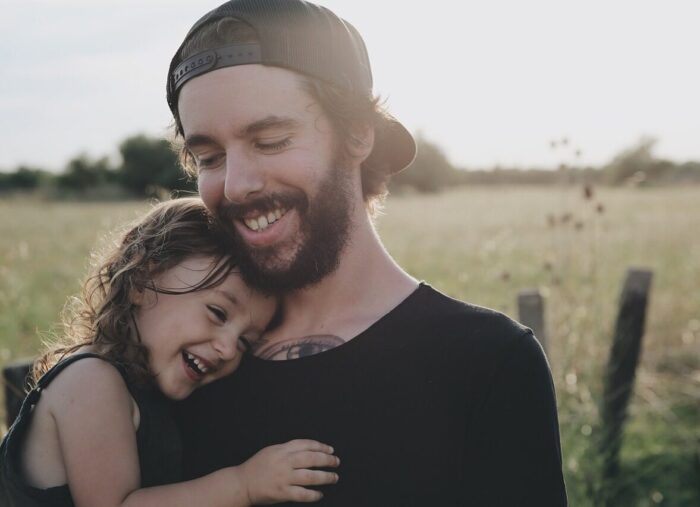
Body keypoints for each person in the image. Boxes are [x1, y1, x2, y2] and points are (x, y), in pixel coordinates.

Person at [169, 1, 568, 505]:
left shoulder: (487, 363)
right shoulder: (187, 358)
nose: (237, 185)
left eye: (270, 140)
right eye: (209, 157)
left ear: (358, 134)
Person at [0, 198, 340, 507]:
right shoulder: (91, 381)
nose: (226, 348)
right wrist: (244, 485)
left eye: (244, 342)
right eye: (218, 313)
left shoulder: (145, 392)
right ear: (141, 279)